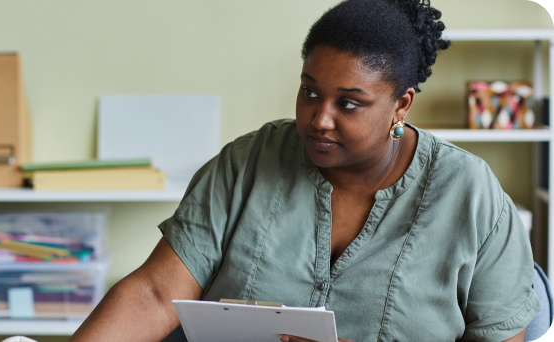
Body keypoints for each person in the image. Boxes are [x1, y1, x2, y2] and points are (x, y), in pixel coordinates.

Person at [70, 0, 540, 341]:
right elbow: (155, 293)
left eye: (349, 104)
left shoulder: (470, 195)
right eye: (309, 92)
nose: (319, 119)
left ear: (401, 104)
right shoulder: (246, 164)